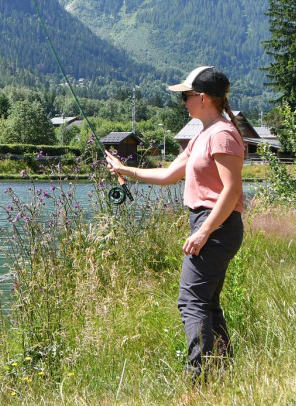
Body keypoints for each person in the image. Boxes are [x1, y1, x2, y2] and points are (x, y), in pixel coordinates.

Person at [105, 66, 245, 381]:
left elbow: (232, 190)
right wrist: (125, 170)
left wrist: (204, 232)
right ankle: (220, 375)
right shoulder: (203, 134)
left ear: (204, 98)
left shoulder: (222, 133)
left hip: (216, 226)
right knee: (206, 303)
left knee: (191, 302)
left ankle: (199, 382)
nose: (183, 102)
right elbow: (169, 175)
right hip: (210, 223)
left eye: (186, 96)